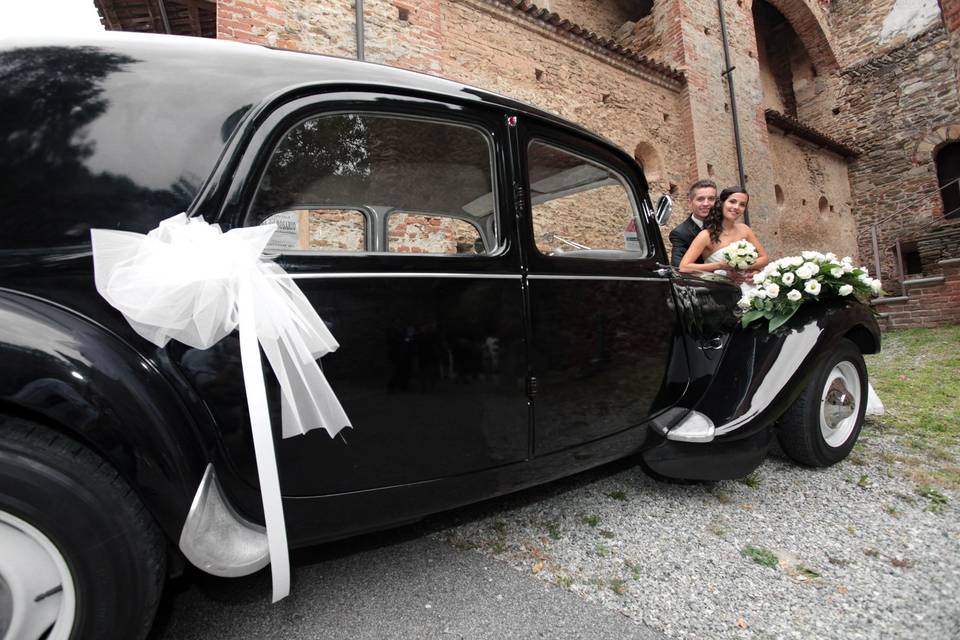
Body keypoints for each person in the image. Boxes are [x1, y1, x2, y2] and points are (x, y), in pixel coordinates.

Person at [678, 186, 769, 275]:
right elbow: (684, 267)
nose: (736, 207)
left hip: (749, 285)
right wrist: (720, 265)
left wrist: (744, 267)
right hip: (723, 287)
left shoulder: (745, 229)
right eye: (732, 201)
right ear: (722, 203)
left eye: (742, 204)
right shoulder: (706, 235)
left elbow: (764, 258)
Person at [669, 179, 717, 267]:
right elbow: (678, 267)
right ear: (690, 203)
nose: (706, 203)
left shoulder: (725, 226)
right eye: (700, 199)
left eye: (711, 199)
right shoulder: (680, 233)